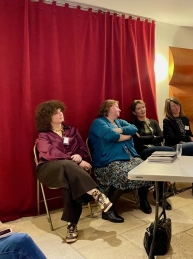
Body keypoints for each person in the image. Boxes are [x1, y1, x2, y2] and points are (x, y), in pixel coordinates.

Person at [35, 100, 112, 243]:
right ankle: (96, 193)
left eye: (61, 111)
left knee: (69, 181)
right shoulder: (43, 135)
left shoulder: (72, 130)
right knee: (66, 165)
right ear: (47, 116)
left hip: (70, 172)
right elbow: (49, 153)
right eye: (56, 112)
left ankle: (72, 225)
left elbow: (83, 148)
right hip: (48, 170)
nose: (60, 114)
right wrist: (75, 160)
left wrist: (80, 156)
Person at [88, 99, 153, 223]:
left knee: (146, 169)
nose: (119, 109)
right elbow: (111, 136)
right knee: (123, 174)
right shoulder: (98, 123)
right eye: (116, 106)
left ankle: (143, 200)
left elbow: (133, 128)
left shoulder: (119, 122)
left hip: (130, 158)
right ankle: (108, 210)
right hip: (108, 161)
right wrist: (126, 136)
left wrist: (121, 131)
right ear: (108, 108)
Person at [130, 100, 175, 210]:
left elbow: (161, 137)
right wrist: (153, 137)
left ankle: (159, 196)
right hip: (143, 151)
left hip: (157, 151)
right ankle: (144, 199)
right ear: (134, 112)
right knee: (170, 151)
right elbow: (137, 141)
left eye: (143, 107)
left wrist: (147, 138)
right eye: (139, 108)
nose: (142, 110)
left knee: (161, 166)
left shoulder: (153, 122)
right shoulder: (133, 125)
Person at [163, 97, 193, 198]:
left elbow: (190, 134)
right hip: (174, 147)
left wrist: (190, 138)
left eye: (177, 105)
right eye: (173, 106)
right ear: (169, 109)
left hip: (186, 147)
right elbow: (171, 138)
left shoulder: (185, 119)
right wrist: (188, 138)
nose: (176, 107)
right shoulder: (167, 121)